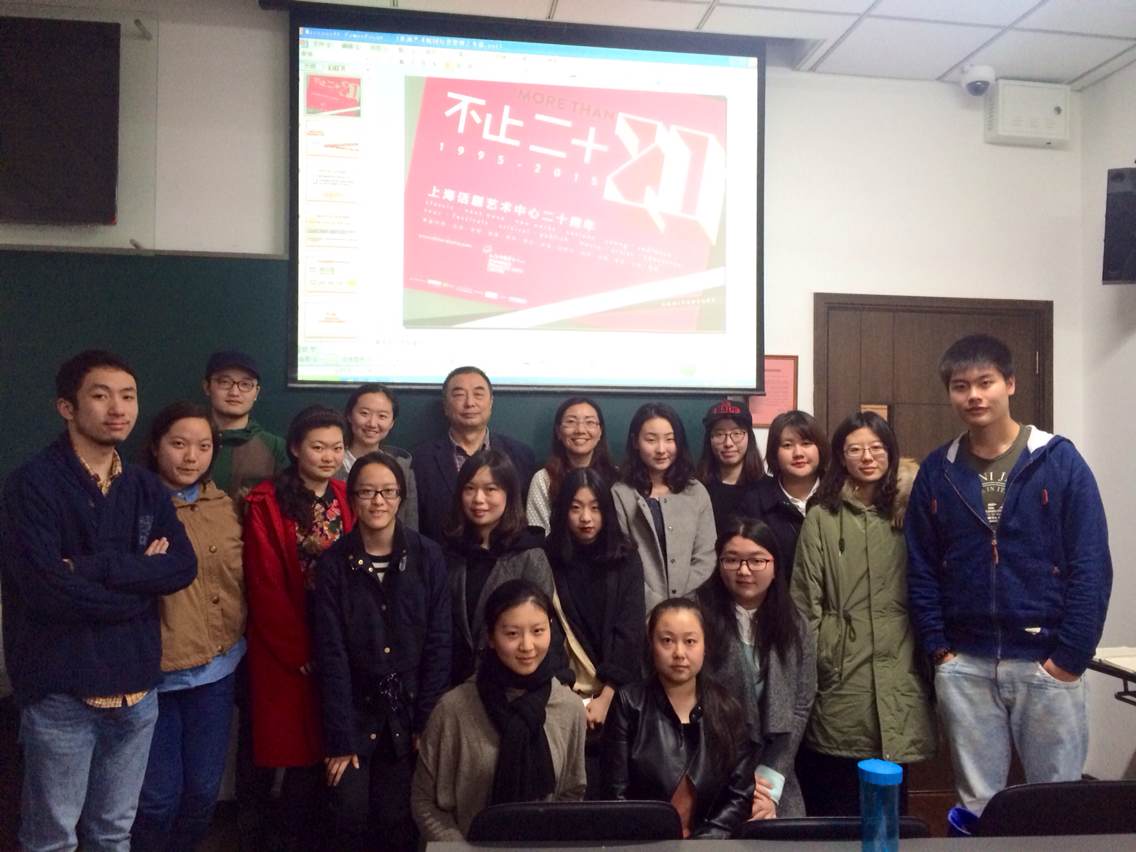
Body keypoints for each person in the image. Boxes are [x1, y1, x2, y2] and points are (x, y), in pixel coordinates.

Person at [906, 334, 1112, 816]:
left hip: (1047, 661)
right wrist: (940, 649)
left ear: (1010, 384)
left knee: (1057, 807)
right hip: (966, 664)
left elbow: (1091, 565)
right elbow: (921, 566)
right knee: (976, 806)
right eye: (961, 386)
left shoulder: (1059, 460)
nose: (974, 396)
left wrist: (1070, 657)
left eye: (986, 382)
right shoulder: (938, 469)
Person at [1, 350, 196, 852]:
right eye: (101, 395)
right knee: (52, 839)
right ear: (66, 407)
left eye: (128, 396)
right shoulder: (32, 484)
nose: (118, 408)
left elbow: (181, 567)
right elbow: (44, 590)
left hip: (137, 690)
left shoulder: (143, 484)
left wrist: (95, 568)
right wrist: (141, 583)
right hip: (62, 692)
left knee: (113, 833)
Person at [791, 411, 935, 816]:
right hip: (840, 670)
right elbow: (804, 602)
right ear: (841, 457)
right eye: (855, 449)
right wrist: (821, 659)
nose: (867, 457)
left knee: (890, 800)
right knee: (837, 797)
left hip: (902, 663)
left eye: (876, 448)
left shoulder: (914, 512)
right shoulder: (822, 516)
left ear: (891, 452)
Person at [312, 450, 451, 851]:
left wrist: (426, 722)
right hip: (356, 713)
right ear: (352, 498)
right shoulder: (334, 563)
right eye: (367, 492)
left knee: (397, 819)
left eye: (388, 492)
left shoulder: (428, 555)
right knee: (349, 812)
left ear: (401, 498)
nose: (378, 501)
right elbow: (332, 655)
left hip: (409, 714)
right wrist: (340, 738)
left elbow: (439, 643)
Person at [132, 402, 247, 852]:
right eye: (178, 444)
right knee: (157, 799)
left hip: (216, 672)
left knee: (202, 792)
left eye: (203, 446)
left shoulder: (224, 505)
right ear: (155, 446)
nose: (190, 457)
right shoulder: (133, 505)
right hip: (154, 677)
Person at [242, 405, 355, 850]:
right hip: (286, 639)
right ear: (294, 448)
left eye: (336, 448)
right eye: (318, 447)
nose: (328, 456)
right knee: (290, 748)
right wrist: (299, 649)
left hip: (338, 633)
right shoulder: (267, 500)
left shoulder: (346, 494)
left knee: (328, 740)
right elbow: (264, 582)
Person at [411, 580, 586, 841]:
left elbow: (572, 792)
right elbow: (425, 800)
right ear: (491, 637)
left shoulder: (569, 708)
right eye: (512, 634)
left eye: (538, 631)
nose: (527, 646)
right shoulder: (453, 709)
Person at [602, 598, 756, 838]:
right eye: (667, 641)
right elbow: (615, 794)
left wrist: (703, 842)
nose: (679, 653)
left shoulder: (728, 708)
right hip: (642, 843)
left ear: (705, 646)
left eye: (690, 641)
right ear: (651, 644)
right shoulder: (628, 703)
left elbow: (740, 796)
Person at [696, 518, 814, 819]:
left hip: (774, 770)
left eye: (757, 560)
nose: (744, 570)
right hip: (708, 767)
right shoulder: (695, 616)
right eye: (732, 560)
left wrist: (767, 788)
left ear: (775, 567)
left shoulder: (795, 624)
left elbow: (800, 707)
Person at [545, 467, 645, 793]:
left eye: (595, 507)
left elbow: (630, 629)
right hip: (561, 696)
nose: (586, 518)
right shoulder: (547, 557)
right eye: (576, 508)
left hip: (619, 695)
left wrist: (606, 697)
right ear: (563, 511)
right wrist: (569, 697)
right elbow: (548, 630)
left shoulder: (626, 558)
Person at [442, 448, 558, 685]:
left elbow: (545, 630)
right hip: (454, 686)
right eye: (469, 488)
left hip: (512, 686)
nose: (478, 499)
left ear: (509, 493)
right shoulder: (449, 553)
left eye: (490, 489)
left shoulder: (529, 555)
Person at [611, 403, 717, 613]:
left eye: (670, 439)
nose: (661, 449)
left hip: (690, 611)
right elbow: (621, 559)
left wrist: (677, 602)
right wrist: (656, 604)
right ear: (635, 442)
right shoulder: (621, 493)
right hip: (639, 610)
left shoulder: (696, 491)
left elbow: (706, 556)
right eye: (651, 440)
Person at [413, 366, 536, 543]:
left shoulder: (520, 456)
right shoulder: (421, 460)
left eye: (478, 394)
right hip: (440, 557)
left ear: (491, 403)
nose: (469, 403)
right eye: (459, 395)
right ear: (445, 406)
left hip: (504, 557)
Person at [739, 410, 828, 582]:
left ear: (820, 448)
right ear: (774, 452)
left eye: (806, 443)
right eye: (787, 445)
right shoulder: (755, 502)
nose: (798, 453)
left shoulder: (840, 496)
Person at [201, 349, 288, 504]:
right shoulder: (187, 441)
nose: (234, 392)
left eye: (245, 384)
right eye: (224, 382)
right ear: (207, 387)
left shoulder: (276, 447)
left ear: (256, 392)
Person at [526, 396, 618, 534]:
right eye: (571, 422)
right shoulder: (544, 479)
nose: (580, 430)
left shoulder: (616, 477)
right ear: (558, 431)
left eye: (590, 422)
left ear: (600, 432)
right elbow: (538, 536)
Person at [336, 383, 419, 531]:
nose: (372, 423)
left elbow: (410, 526)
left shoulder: (402, 469)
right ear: (349, 415)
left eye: (382, 416)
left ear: (392, 423)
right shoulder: (330, 465)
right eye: (364, 413)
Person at [696, 400, 764, 535]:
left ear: (749, 437)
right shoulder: (696, 489)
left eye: (737, 433)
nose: (728, 443)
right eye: (719, 434)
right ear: (709, 440)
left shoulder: (767, 489)